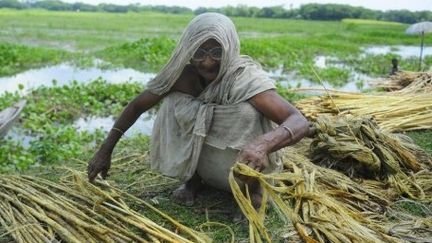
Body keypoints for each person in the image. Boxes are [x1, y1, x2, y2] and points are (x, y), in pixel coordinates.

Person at [87, 13, 309, 207]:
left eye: (216, 51)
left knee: (245, 112)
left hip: (246, 167)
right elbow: (137, 106)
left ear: (230, 48)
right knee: (173, 101)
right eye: (199, 52)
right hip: (207, 166)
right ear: (188, 51)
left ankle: (253, 190)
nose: (207, 62)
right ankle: (194, 179)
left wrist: (262, 145)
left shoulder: (244, 78)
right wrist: (105, 151)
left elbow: (298, 121)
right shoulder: (181, 77)